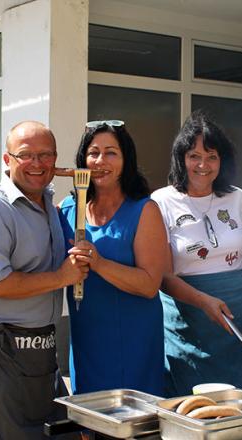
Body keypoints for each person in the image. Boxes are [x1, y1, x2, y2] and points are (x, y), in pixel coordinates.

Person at [0, 121, 89, 439]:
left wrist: (73, 176)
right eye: (25, 155)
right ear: (7, 160)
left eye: (45, 155)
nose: (37, 164)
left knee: (53, 432)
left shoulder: (47, 203)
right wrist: (61, 277)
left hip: (42, 345)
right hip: (1, 346)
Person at [151, 111, 242, 396]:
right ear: (181, 158)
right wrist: (203, 301)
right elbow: (162, 275)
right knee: (194, 402)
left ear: (222, 160)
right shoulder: (161, 201)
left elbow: (238, 252)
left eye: (212, 156)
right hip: (189, 313)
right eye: (194, 156)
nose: (203, 165)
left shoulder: (237, 197)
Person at [58, 120, 168, 396]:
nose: (100, 161)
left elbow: (149, 284)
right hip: (86, 338)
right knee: (88, 422)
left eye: (111, 153)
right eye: (93, 153)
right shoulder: (67, 208)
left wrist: (99, 263)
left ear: (126, 159)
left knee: (132, 423)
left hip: (134, 340)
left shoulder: (144, 210)